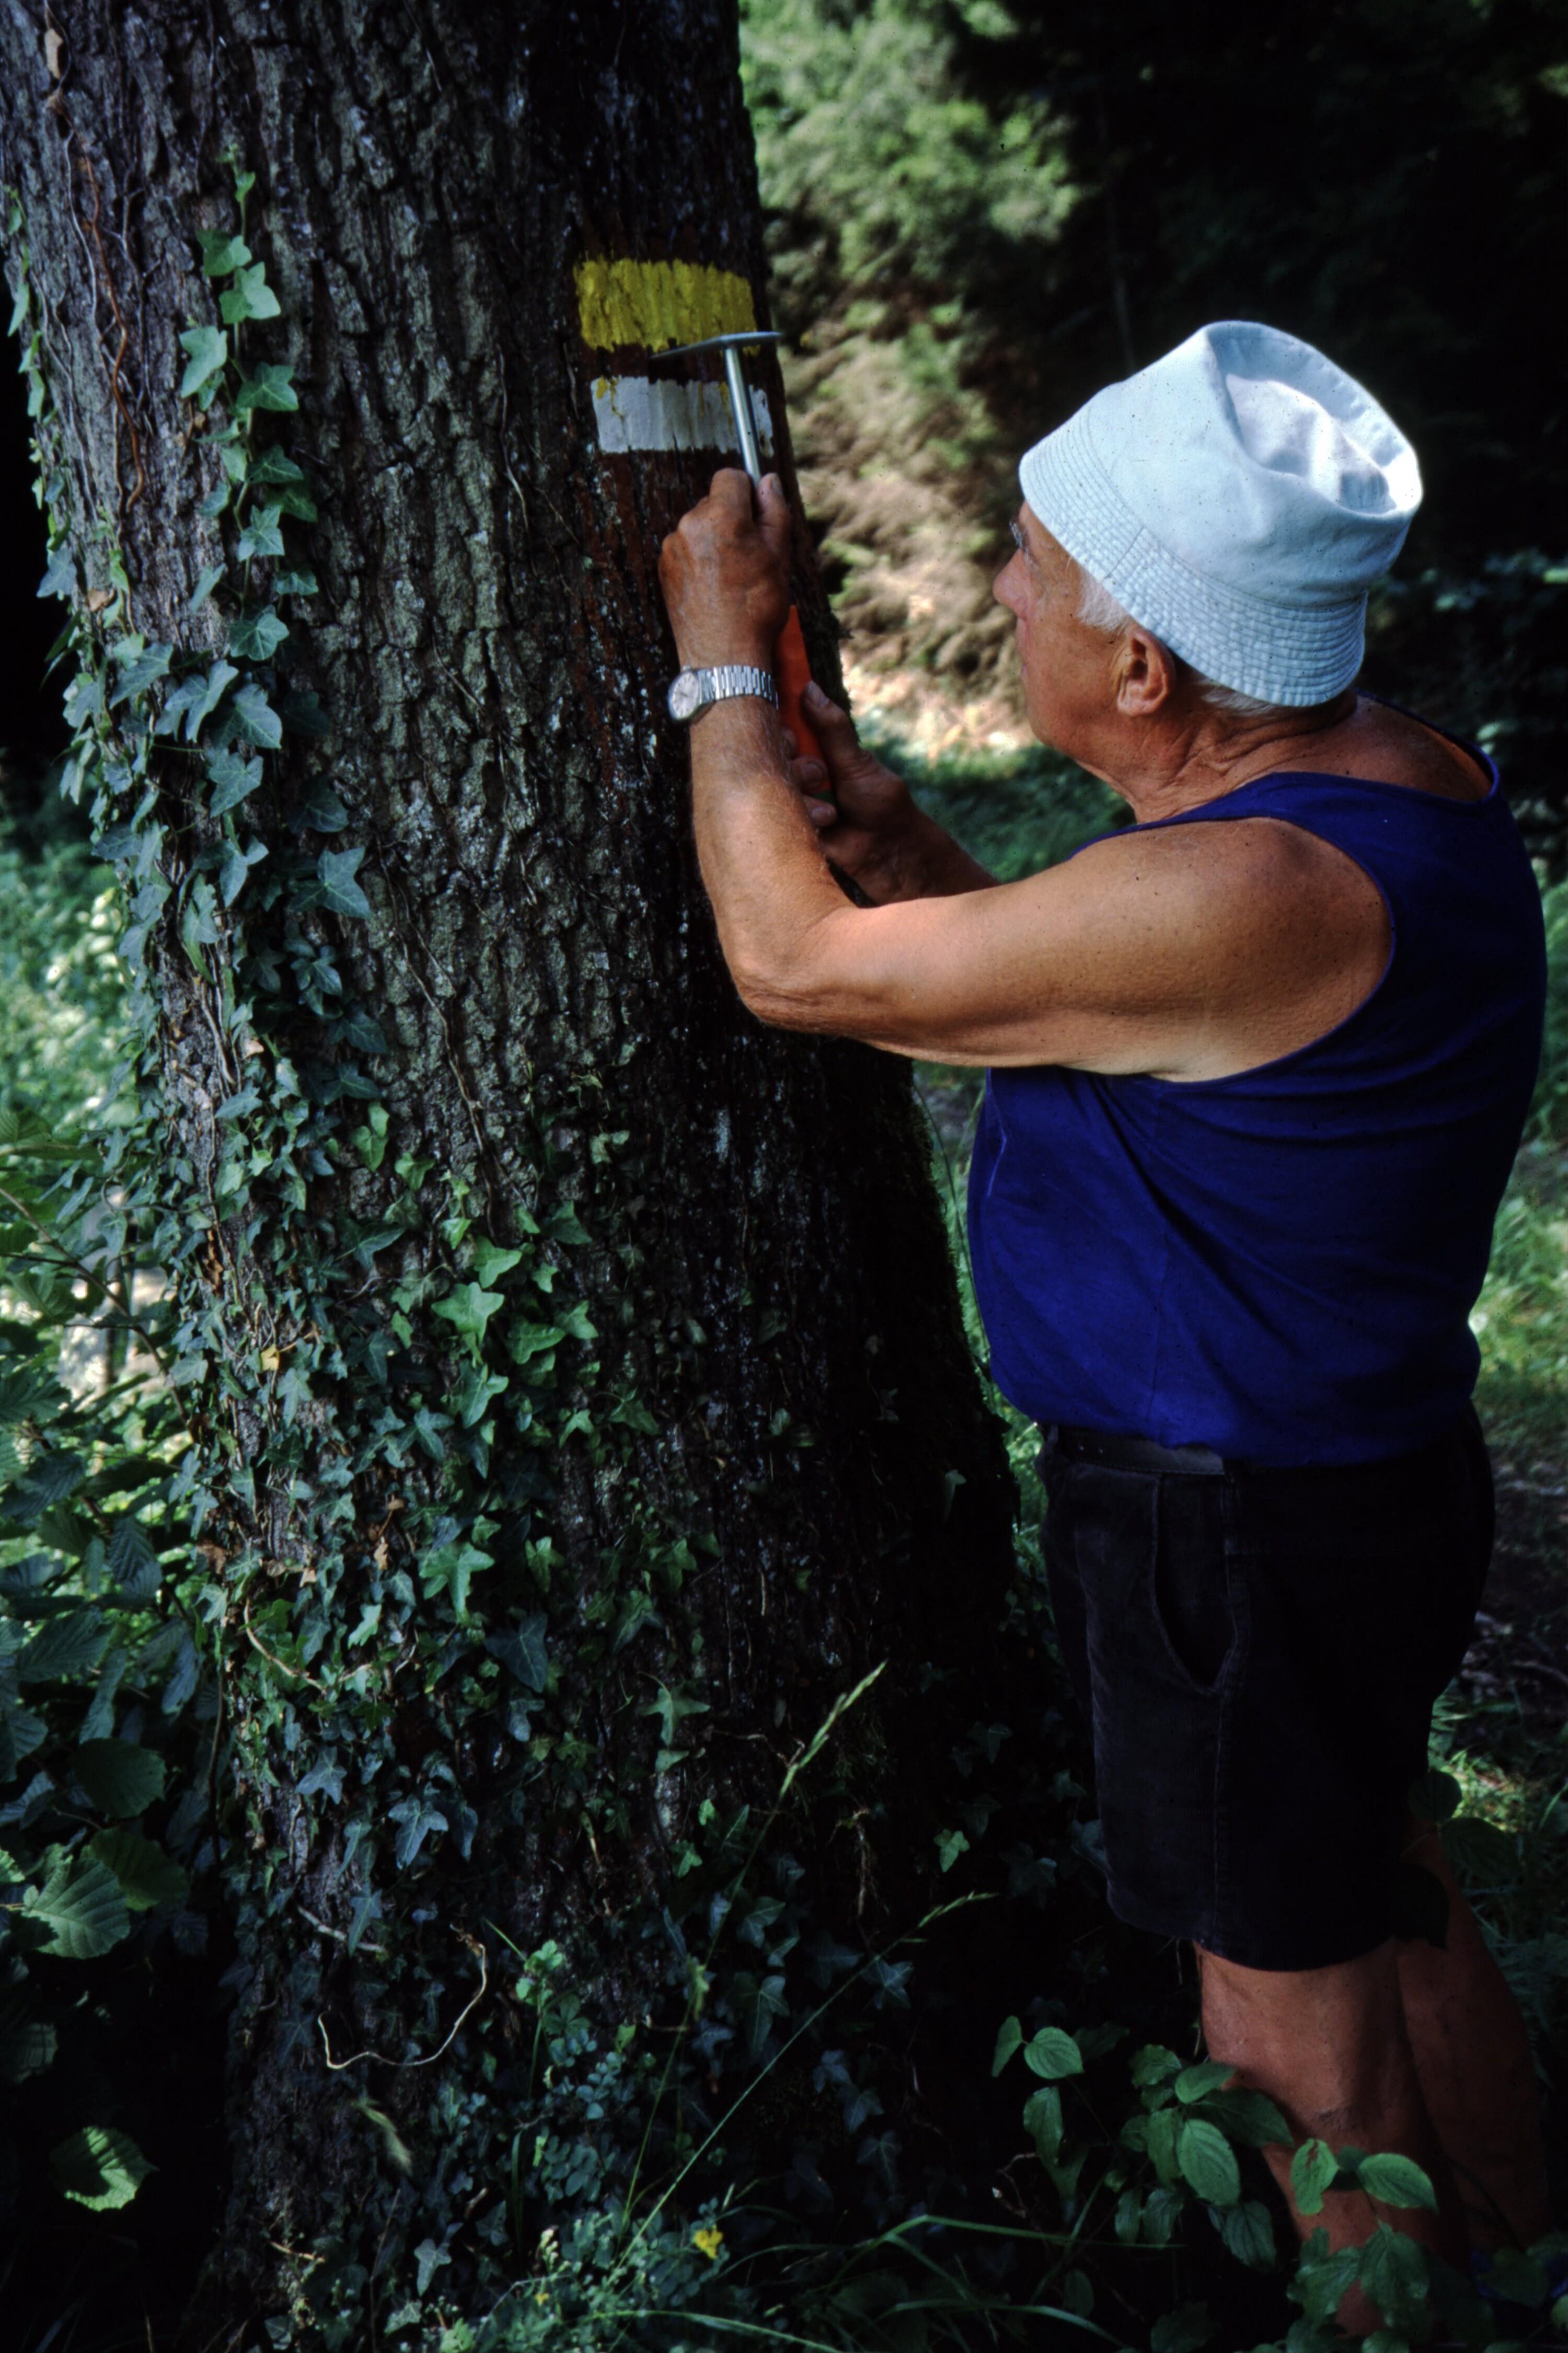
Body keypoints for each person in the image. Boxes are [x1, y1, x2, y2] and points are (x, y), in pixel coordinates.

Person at [657, 321, 1552, 2310]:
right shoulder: (1395, 789)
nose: (997, 588)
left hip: (1228, 1536)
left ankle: (1386, 2323)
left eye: (1034, 566)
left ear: (1144, 671)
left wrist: (723, 658)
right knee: (1387, 1902)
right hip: (1362, 1481)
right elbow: (1194, 1062)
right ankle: (1523, 2263)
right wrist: (930, 867)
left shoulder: (1255, 891)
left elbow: (795, 971)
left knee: (1289, 2052)